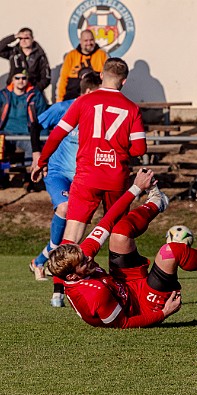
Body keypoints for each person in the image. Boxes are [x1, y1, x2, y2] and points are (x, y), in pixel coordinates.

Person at [47, 168, 197, 328]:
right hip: (142, 307)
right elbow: (124, 323)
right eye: (83, 262)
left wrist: (136, 188)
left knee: (119, 233)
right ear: (71, 275)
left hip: (125, 284)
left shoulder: (81, 257)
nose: (89, 257)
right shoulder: (93, 295)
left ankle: (156, 202)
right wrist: (164, 313)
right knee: (170, 251)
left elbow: (107, 220)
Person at [31, 57, 147, 245]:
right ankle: (118, 274)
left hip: (87, 175)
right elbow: (140, 149)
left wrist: (42, 161)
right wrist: (117, 152)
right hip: (115, 176)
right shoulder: (132, 108)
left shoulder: (83, 101)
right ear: (124, 81)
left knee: (73, 232)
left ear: (101, 76)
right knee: (117, 230)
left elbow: (56, 135)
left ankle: (64, 274)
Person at [29, 72, 102, 308]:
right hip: (58, 173)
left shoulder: (97, 113)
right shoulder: (64, 108)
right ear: (90, 92)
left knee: (77, 225)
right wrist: (37, 155)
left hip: (83, 176)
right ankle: (52, 273)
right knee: (65, 207)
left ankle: (40, 261)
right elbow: (35, 124)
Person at [0, 68, 47, 169]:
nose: (20, 81)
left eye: (24, 78)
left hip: (27, 134)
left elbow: (43, 119)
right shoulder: (3, 95)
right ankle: (2, 176)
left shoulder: (35, 95)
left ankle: (28, 177)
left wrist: (43, 139)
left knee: (34, 147)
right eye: (17, 78)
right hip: (5, 133)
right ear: (12, 79)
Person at [57, 29, 108, 102]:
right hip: (72, 96)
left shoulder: (102, 55)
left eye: (91, 40)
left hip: (94, 96)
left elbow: (107, 78)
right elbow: (63, 79)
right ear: (80, 41)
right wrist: (60, 100)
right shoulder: (71, 55)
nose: (89, 43)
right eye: (86, 40)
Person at [0, 27, 51, 95]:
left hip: (32, 93)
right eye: (21, 38)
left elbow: (46, 77)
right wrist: (14, 36)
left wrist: (35, 89)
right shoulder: (13, 52)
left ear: (32, 39)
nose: (23, 40)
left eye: (26, 38)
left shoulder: (40, 55)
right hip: (13, 92)